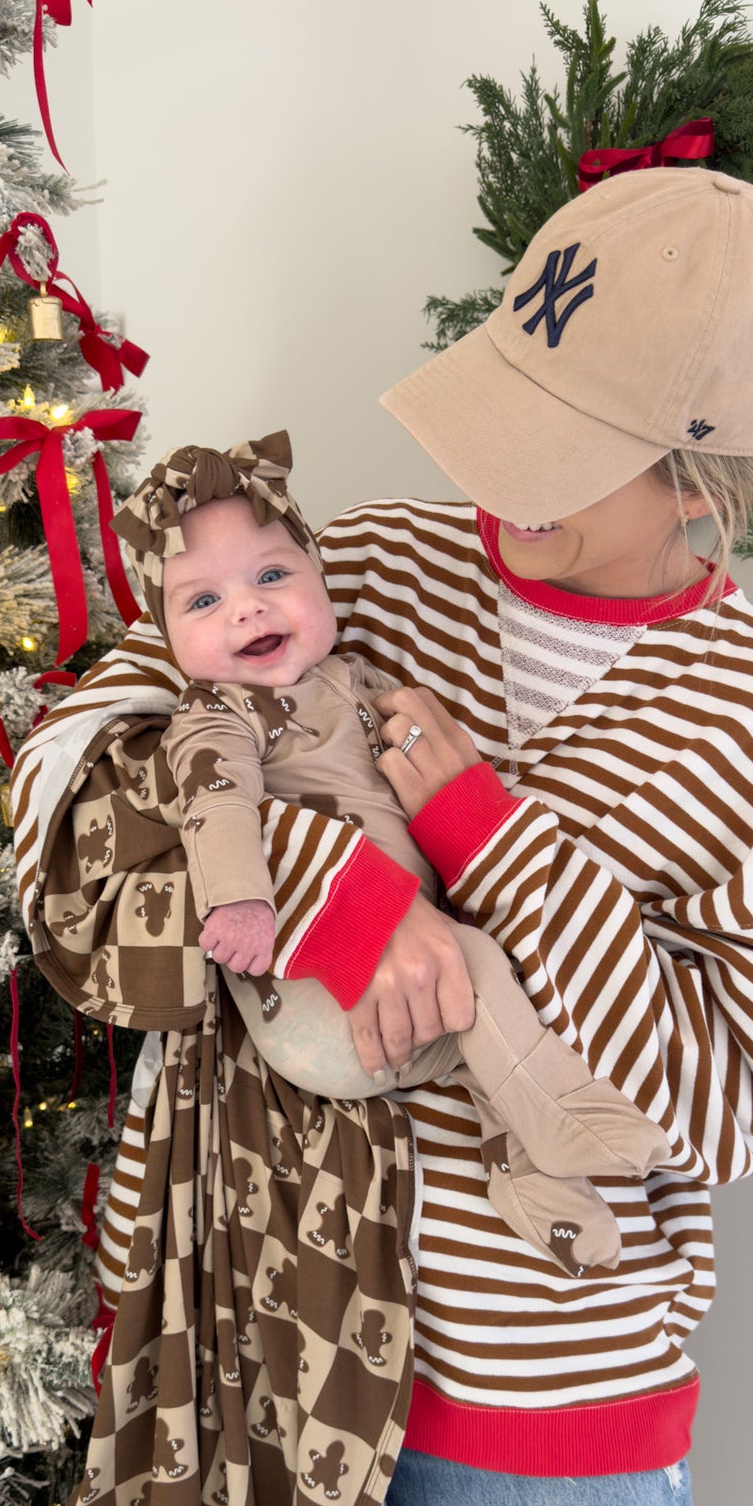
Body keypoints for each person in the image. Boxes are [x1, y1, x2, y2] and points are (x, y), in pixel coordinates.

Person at [49, 167, 753, 1506]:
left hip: (543, 1376)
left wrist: (494, 843)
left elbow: (731, 1105)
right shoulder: (360, 564)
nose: (497, 489)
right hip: (241, 1337)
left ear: (701, 481)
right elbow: (70, 805)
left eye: (569, 457)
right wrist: (341, 893)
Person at [110, 434, 673, 1278]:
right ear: (166, 639)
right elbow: (214, 798)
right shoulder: (218, 711)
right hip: (313, 996)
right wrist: (240, 901)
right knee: (479, 968)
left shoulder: (353, 679)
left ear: (319, 575)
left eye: (272, 576)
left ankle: (545, 1199)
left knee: (484, 1033)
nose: (246, 610)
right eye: (201, 601)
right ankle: (563, 1115)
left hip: (396, 993)